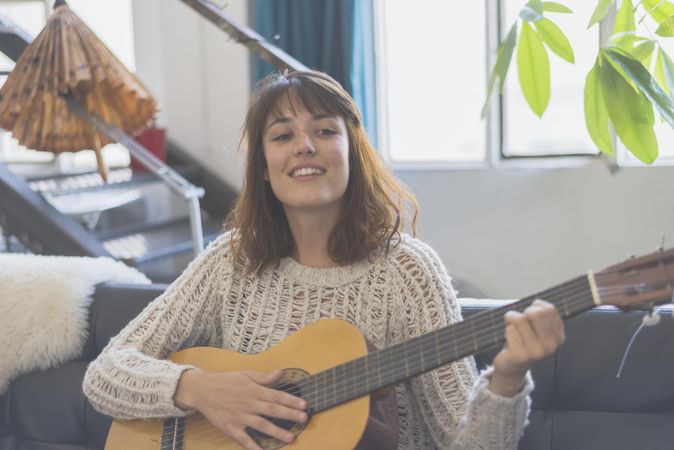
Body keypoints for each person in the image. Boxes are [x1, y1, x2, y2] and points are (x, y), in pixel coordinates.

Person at [83, 70, 565, 450]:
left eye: (324, 130)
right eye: (282, 135)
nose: (304, 145)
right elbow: (107, 374)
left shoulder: (408, 273)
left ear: (351, 153)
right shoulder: (229, 262)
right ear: (265, 170)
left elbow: (472, 445)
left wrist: (507, 375)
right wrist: (201, 389)